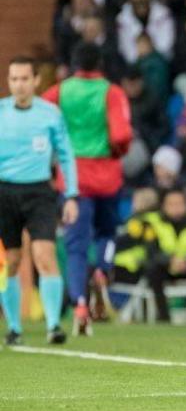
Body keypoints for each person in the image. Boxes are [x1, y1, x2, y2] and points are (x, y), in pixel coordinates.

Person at [42, 43, 132, 336]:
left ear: (72, 64)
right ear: (100, 63)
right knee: (107, 232)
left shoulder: (59, 92)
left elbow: (40, 122)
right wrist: (116, 152)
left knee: (75, 246)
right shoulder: (112, 92)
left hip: (73, 179)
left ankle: (80, 305)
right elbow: (121, 134)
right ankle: (103, 269)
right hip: (107, 176)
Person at [0, 57, 80, 346]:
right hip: (5, 192)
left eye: (24, 79)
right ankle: (14, 327)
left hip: (39, 192)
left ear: (35, 81)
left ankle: (53, 325)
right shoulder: (1, 112)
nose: (19, 85)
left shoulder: (50, 114)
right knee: (11, 261)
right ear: (9, 82)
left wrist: (71, 195)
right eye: (13, 79)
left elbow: (67, 155)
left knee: (44, 255)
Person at [143, 188, 186, 323]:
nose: (176, 208)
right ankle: (163, 315)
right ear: (163, 206)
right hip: (165, 265)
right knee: (152, 270)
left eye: (179, 204)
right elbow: (151, 251)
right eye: (171, 204)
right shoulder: (152, 221)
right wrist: (170, 261)